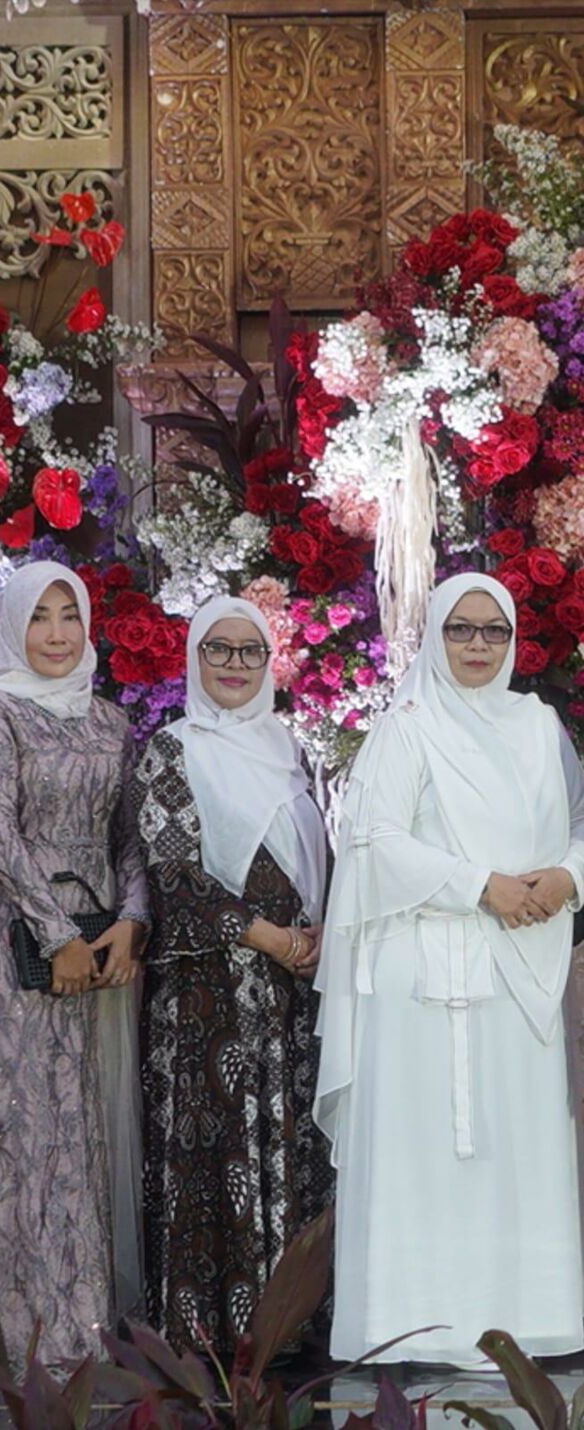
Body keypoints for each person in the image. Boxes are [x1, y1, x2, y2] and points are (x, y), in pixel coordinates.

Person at [314, 572, 584, 1369]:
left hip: (520, 967)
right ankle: (413, 1325)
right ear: (435, 636)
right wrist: (479, 885)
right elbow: (376, 841)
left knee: (517, 1143)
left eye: (494, 631)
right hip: (422, 971)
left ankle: (530, 1321)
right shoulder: (408, 727)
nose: (477, 645)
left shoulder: (539, 726)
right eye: (460, 629)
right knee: (421, 1149)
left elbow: (579, 824)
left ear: (513, 641)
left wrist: (568, 876)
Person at [0, 561, 149, 1373]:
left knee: (80, 1121)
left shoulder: (109, 720)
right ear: (12, 627)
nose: (58, 634)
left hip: (99, 944)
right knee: (15, 1120)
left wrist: (131, 922)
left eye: (70, 615)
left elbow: (129, 835)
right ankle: (0, 1330)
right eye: (40, 617)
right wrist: (56, 933)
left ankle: (78, 1320)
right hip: (12, 942)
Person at [132, 595, 332, 1353]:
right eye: (219, 648)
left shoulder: (290, 750)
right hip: (207, 993)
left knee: (289, 1143)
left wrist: (319, 934)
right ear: (195, 657)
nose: (236, 664)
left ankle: (289, 1328)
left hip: (290, 990)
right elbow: (174, 874)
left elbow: (321, 860)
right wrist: (272, 939)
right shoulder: (172, 749)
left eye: (251, 650)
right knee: (217, 1154)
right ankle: (210, 1337)